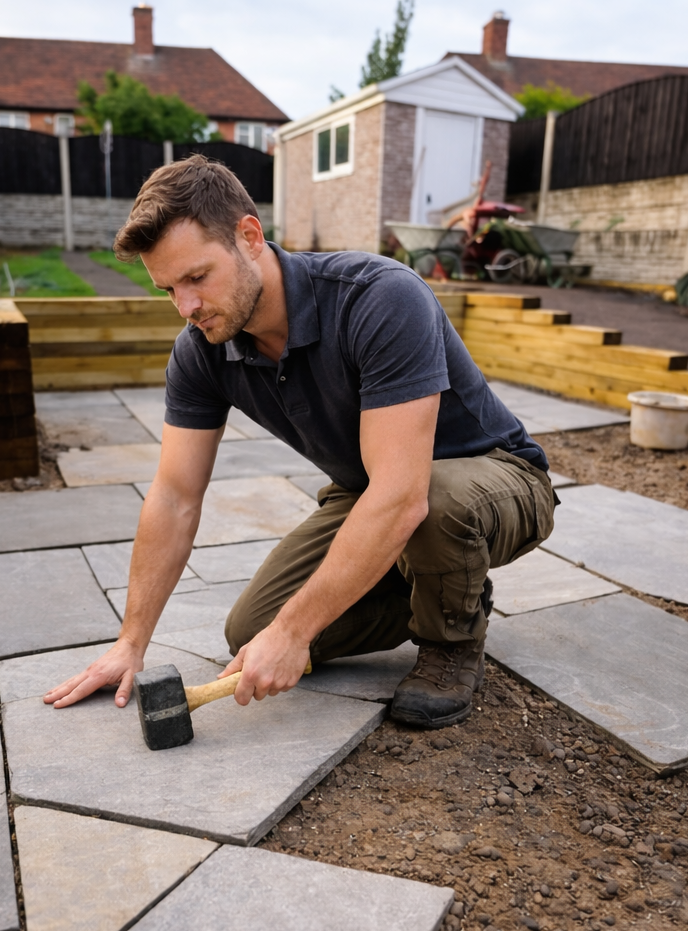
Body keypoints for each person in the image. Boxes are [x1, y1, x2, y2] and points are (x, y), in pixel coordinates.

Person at [44, 154, 555, 729]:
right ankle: (446, 585)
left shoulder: (379, 298)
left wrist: (295, 632)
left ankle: (451, 641)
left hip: (496, 479)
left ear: (249, 237)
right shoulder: (201, 351)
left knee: (426, 504)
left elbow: (402, 494)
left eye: (197, 277)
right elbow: (174, 496)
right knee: (251, 631)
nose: (187, 307)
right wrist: (131, 643)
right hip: (374, 491)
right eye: (169, 289)